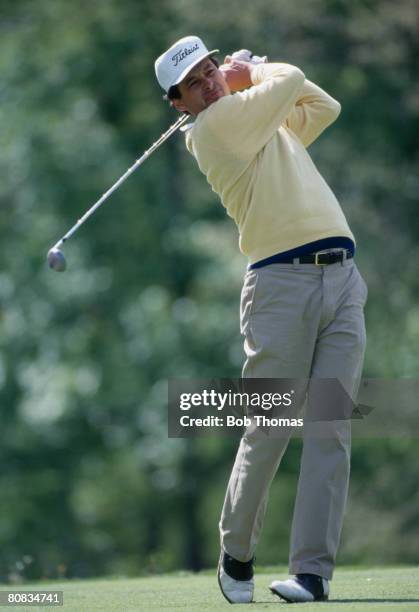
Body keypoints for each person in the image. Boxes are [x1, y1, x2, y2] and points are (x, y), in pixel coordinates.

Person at [155, 36, 367, 604]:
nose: (210, 84)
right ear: (180, 105)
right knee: (270, 425)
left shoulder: (262, 124)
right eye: (195, 84)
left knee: (330, 429)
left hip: (341, 278)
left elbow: (324, 107)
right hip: (280, 286)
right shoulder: (215, 128)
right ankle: (236, 550)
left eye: (210, 71)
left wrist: (249, 77)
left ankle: (312, 573)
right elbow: (293, 76)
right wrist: (253, 69)